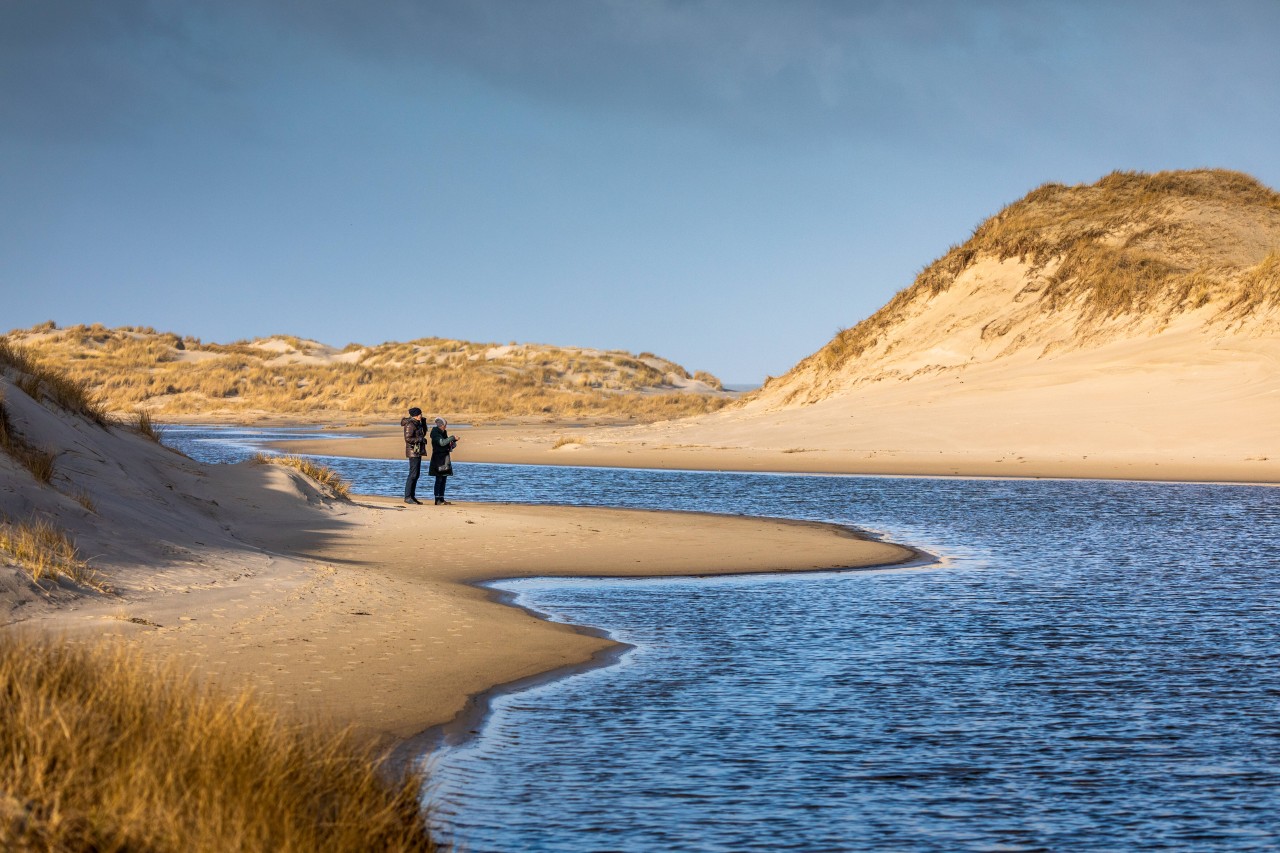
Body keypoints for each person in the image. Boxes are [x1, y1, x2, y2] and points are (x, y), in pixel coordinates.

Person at [428, 416, 458, 505]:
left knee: (444, 478)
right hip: (438, 458)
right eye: (445, 425)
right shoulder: (435, 433)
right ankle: (437, 499)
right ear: (441, 425)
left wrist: (453, 442)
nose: (446, 427)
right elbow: (442, 442)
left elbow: (446, 443)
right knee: (439, 478)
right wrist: (452, 437)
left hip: (445, 457)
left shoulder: (443, 432)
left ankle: (441, 498)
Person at [401, 406, 426, 504]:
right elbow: (408, 438)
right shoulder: (410, 424)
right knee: (413, 474)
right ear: (415, 415)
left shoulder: (417, 423)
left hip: (417, 451)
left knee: (416, 474)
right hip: (413, 452)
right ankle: (408, 497)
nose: (421, 415)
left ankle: (412, 496)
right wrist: (419, 440)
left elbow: (423, 433)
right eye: (420, 414)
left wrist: (423, 423)